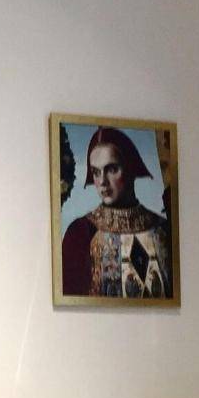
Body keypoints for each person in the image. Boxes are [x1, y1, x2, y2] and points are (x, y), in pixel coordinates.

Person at [61, 126, 171, 299]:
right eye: (96, 172)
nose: (102, 181)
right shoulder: (79, 234)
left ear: (131, 168)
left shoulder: (163, 229)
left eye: (112, 169)